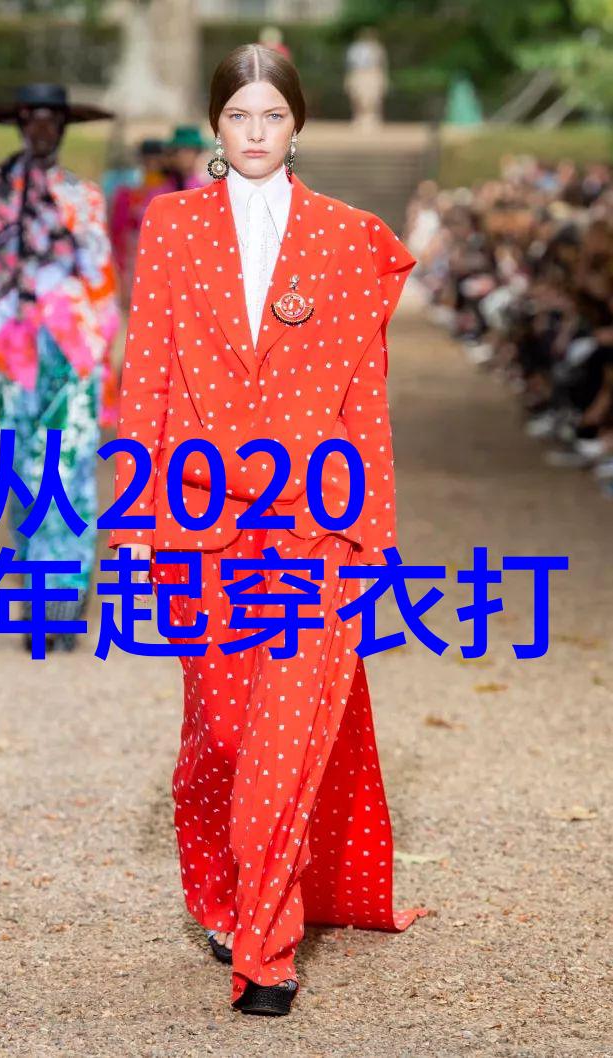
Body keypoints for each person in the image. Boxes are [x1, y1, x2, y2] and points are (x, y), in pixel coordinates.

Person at [108, 44, 427, 1016]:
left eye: (272, 115)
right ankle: (221, 891)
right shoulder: (172, 225)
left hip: (309, 521)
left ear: (297, 124)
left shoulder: (345, 236)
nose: (255, 132)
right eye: (238, 115)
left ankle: (267, 943)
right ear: (215, 124)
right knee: (220, 732)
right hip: (195, 516)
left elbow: (364, 392)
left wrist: (372, 528)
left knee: (283, 731)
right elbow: (146, 372)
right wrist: (131, 514)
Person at [0, 83, 120, 653]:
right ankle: (37, 598)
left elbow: (100, 274)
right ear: (21, 124)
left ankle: (62, 601)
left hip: (73, 348)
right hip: (11, 348)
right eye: (33, 118)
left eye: (52, 119)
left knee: (66, 464)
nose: (43, 128)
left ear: (64, 128)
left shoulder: (82, 195)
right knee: (23, 474)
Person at [110, 138, 176, 307]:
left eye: (156, 159)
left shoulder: (175, 191)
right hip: (136, 261)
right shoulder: (128, 194)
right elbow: (118, 232)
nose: (152, 163)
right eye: (147, 159)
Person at [163, 124, 211, 191]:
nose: (181, 155)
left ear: (197, 153)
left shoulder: (205, 188)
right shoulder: (161, 188)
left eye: (187, 150)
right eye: (177, 150)